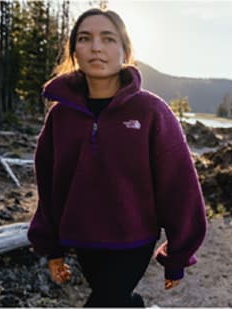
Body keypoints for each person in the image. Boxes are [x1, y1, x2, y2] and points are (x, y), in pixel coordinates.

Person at [27, 8, 207, 307]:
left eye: (108, 38)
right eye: (85, 38)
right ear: (75, 50)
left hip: (133, 239)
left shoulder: (150, 111)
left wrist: (178, 253)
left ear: (125, 50)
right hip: (83, 238)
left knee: (105, 301)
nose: (96, 47)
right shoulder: (61, 116)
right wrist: (52, 247)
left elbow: (179, 185)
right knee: (118, 299)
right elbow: (48, 185)